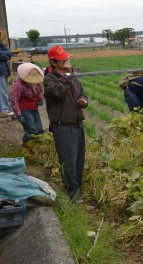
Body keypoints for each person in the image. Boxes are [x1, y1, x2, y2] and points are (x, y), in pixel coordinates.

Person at [43, 45, 88, 204]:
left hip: (77, 124)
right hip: (63, 127)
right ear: (54, 62)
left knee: (78, 161)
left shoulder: (72, 77)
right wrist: (67, 76)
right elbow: (57, 93)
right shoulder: (49, 79)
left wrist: (84, 101)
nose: (67, 61)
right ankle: (73, 195)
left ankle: (78, 191)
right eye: (64, 59)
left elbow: (82, 93)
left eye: (67, 58)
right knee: (68, 162)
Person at [10, 63, 44, 145]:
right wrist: (19, 115)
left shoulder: (37, 84)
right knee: (32, 131)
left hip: (34, 109)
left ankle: (35, 148)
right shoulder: (19, 85)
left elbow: (39, 94)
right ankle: (26, 145)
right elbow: (14, 99)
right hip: (24, 110)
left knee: (39, 131)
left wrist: (40, 99)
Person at [0, 28, 14, 118]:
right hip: (1, 71)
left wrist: (4, 55)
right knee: (2, 91)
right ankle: (4, 110)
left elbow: (10, 52)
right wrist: (6, 55)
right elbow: (6, 54)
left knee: (5, 90)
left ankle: (7, 108)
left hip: (4, 70)